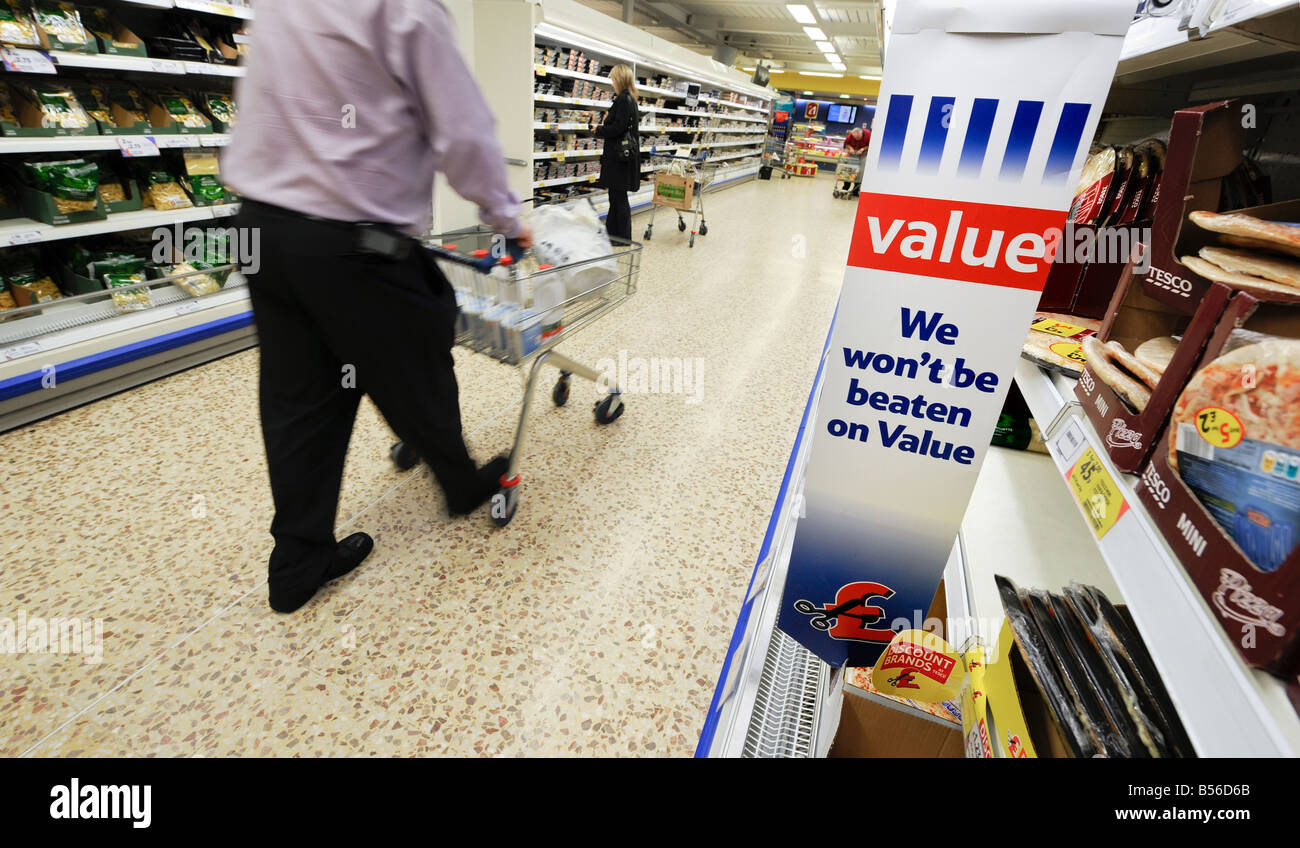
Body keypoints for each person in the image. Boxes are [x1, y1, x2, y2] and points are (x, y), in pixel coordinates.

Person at [222, 0, 532, 614]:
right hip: (353, 240)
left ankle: (296, 565)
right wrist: (505, 214)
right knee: (421, 345)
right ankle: (461, 482)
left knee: (297, 400)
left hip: (262, 230)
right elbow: (462, 129)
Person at [593, 64, 641, 240]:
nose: (612, 82)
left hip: (619, 159)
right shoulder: (630, 98)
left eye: (613, 79)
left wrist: (599, 129)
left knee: (618, 198)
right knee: (616, 196)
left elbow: (618, 128)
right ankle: (613, 234)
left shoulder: (623, 99)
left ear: (619, 79)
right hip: (622, 158)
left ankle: (622, 236)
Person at [843, 125, 871, 198]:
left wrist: (862, 149)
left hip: (864, 153)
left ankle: (856, 190)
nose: (857, 139)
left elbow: (871, 145)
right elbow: (846, 143)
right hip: (853, 153)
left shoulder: (868, 134)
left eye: (858, 138)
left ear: (861, 134)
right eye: (855, 138)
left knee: (860, 172)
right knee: (849, 170)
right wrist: (851, 148)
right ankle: (845, 187)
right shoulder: (851, 135)